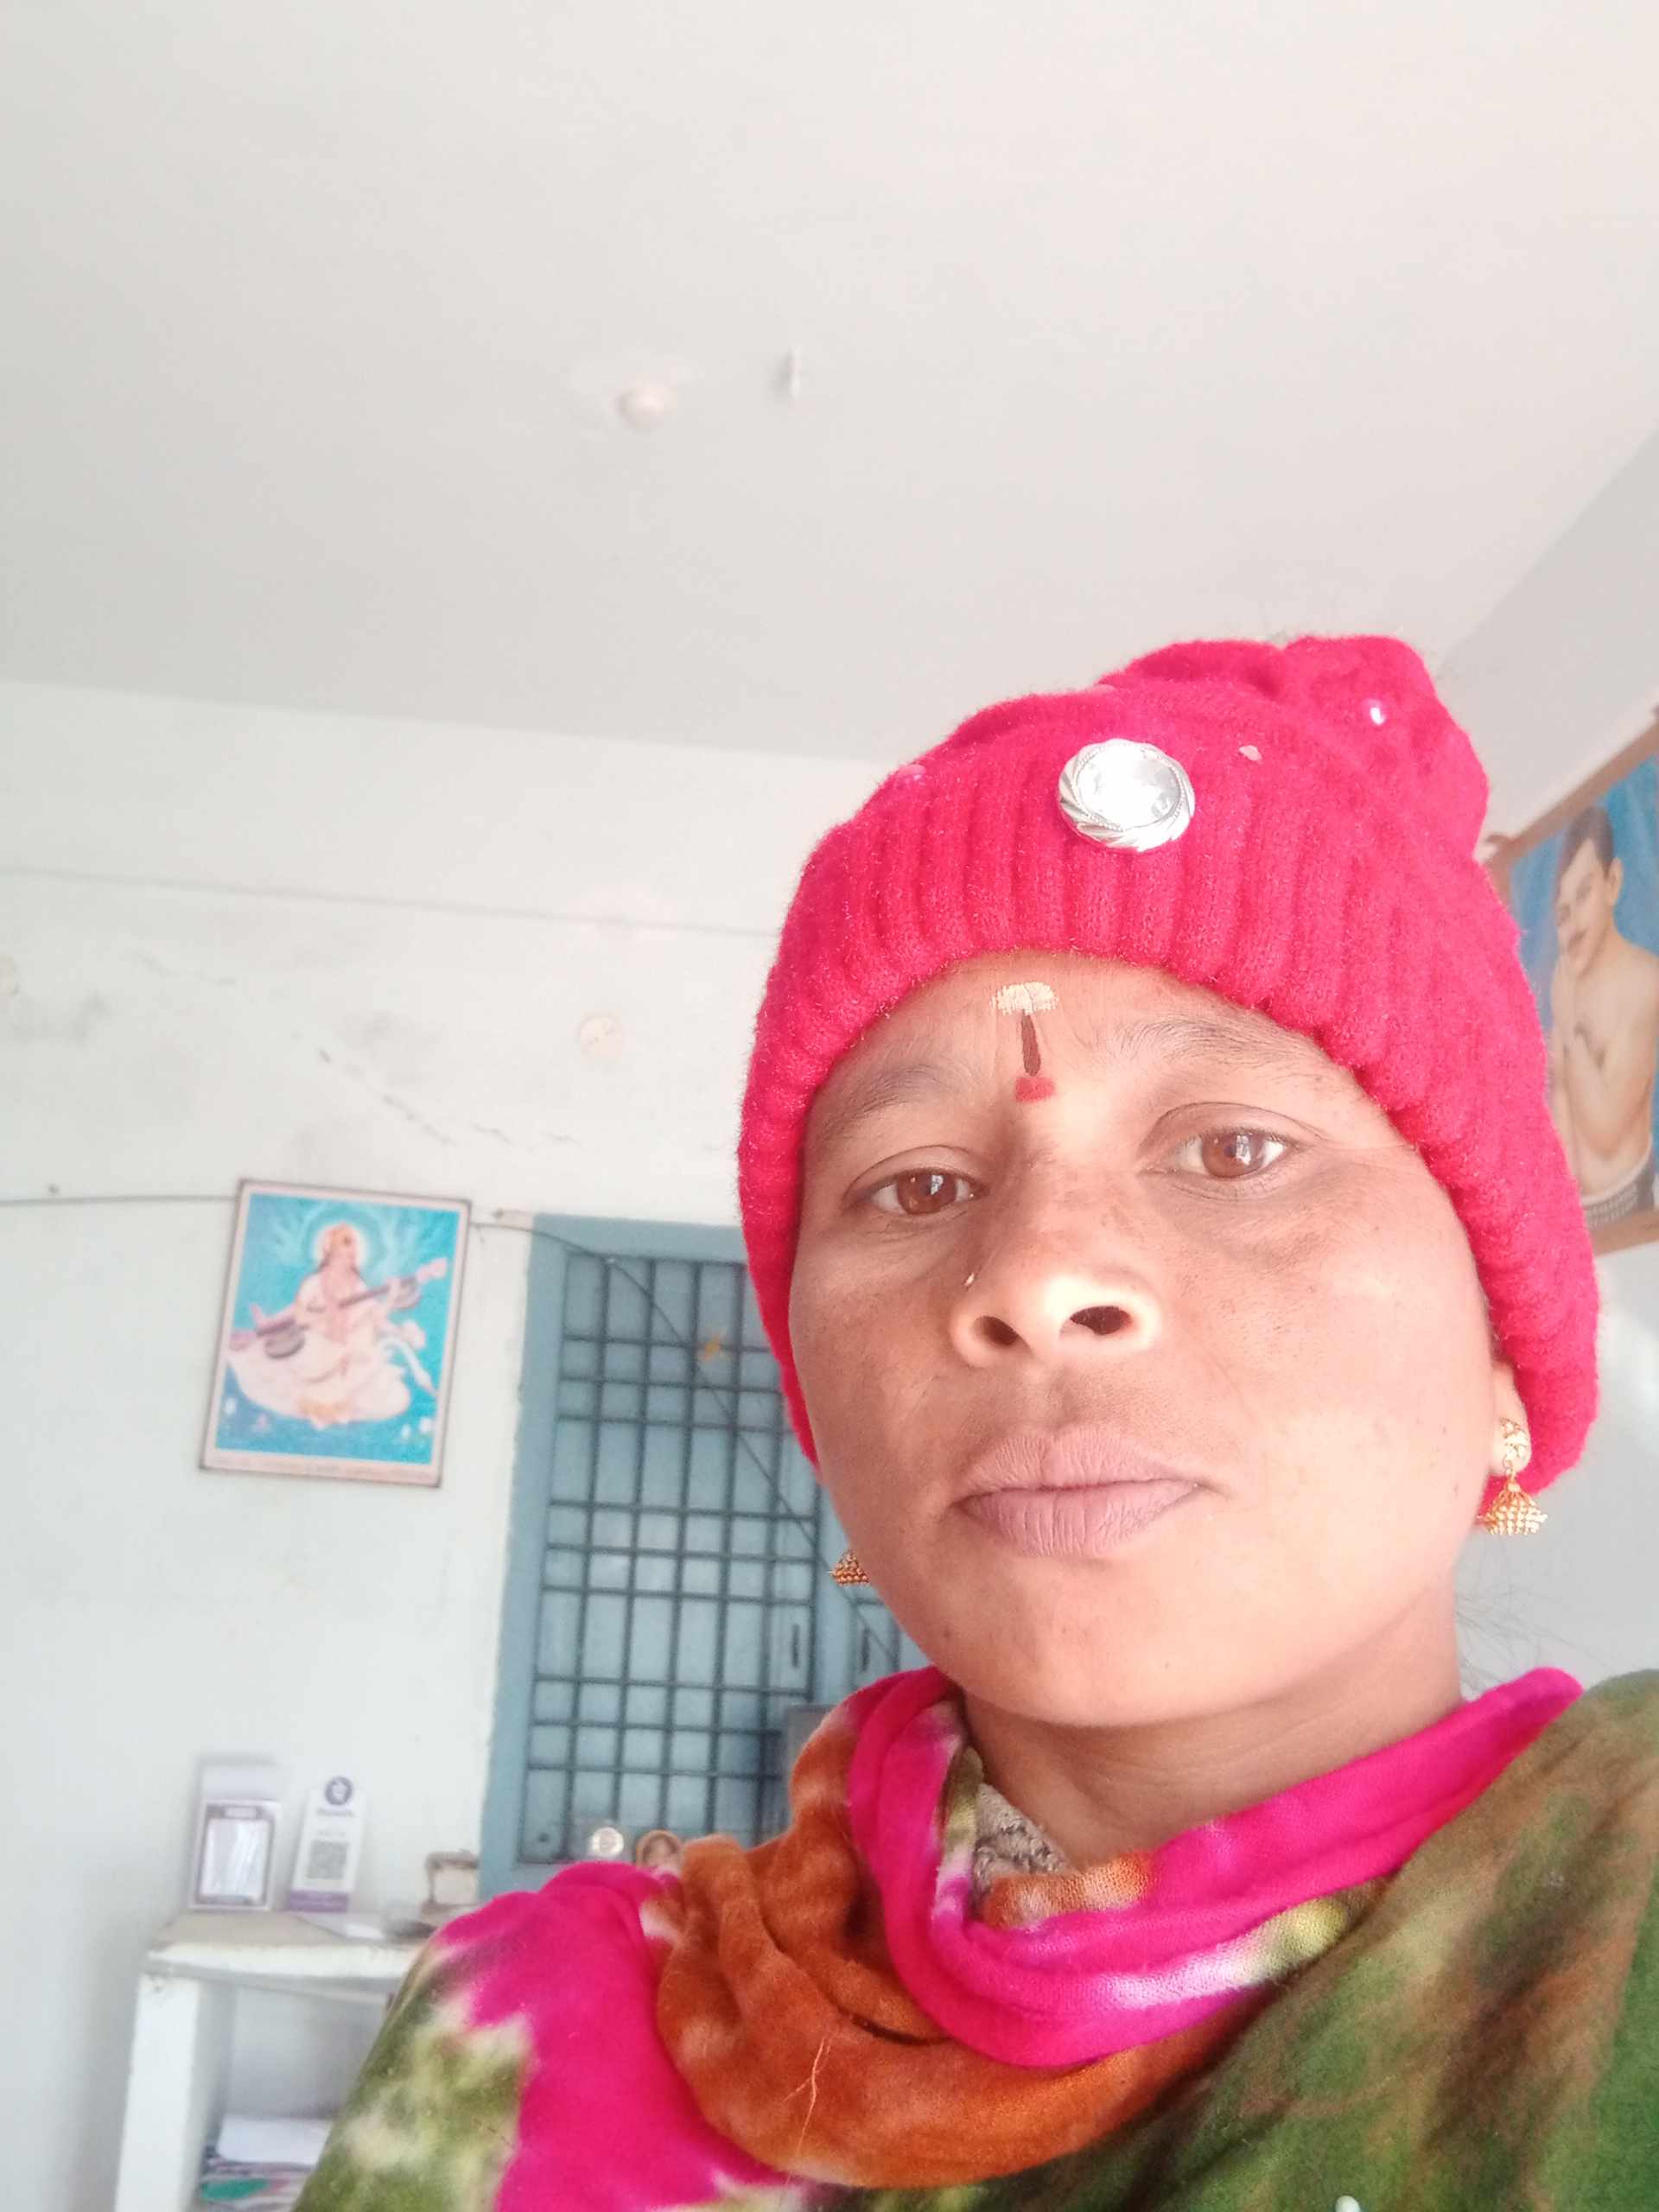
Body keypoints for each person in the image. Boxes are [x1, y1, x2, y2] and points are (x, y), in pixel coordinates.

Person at [297, 639, 1656, 2210]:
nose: (1036, 1275)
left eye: (1232, 1149)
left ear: (1508, 1354)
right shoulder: (531, 2049)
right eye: (918, 1185)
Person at [1548, 802, 1659, 1230]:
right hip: (1575, 1224)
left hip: (1632, 1211)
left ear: (1613, 883)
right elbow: (1561, 1115)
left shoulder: (1644, 979)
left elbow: (1605, 1130)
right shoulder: (1564, 989)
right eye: (1563, 912)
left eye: (1584, 893)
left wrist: (1569, 1030)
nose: (1574, 922)